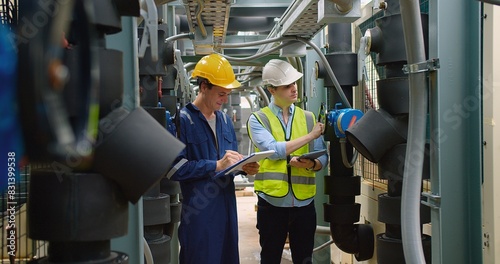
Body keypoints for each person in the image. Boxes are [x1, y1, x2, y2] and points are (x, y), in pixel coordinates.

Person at [168, 53, 259, 264]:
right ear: (203, 87)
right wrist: (215, 165)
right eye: (220, 93)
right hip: (200, 213)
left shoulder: (225, 120)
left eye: (227, 94)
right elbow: (174, 169)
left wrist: (244, 166)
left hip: (227, 210)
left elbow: (230, 161)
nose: (225, 99)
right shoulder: (182, 121)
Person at [247, 59, 328, 264]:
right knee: (270, 258)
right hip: (272, 203)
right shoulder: (258, 119)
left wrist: (310, 164)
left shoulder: (308, 118)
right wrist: (310, 136)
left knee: (304, 260)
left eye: (294, 83)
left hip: (304, 204)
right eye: (287, 86)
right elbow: (274, 151)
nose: (294, 89)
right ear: (272, 90)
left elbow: (323, 157)